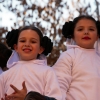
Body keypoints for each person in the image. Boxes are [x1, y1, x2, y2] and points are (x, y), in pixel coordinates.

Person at [0, 26, 62, 100]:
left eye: (33, 41)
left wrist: (29, 97)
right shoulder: (5, 75)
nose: (27, 44)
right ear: (16, 47)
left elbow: (56, 98)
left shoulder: (47, 72)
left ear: (40, 49)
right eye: (23, 41)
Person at [53, 15, 100, 100]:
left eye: (91, 29)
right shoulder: (69, 56)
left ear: (97, 36)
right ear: (73, 36)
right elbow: (58, 85)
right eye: (80, 29)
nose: (86, 32)